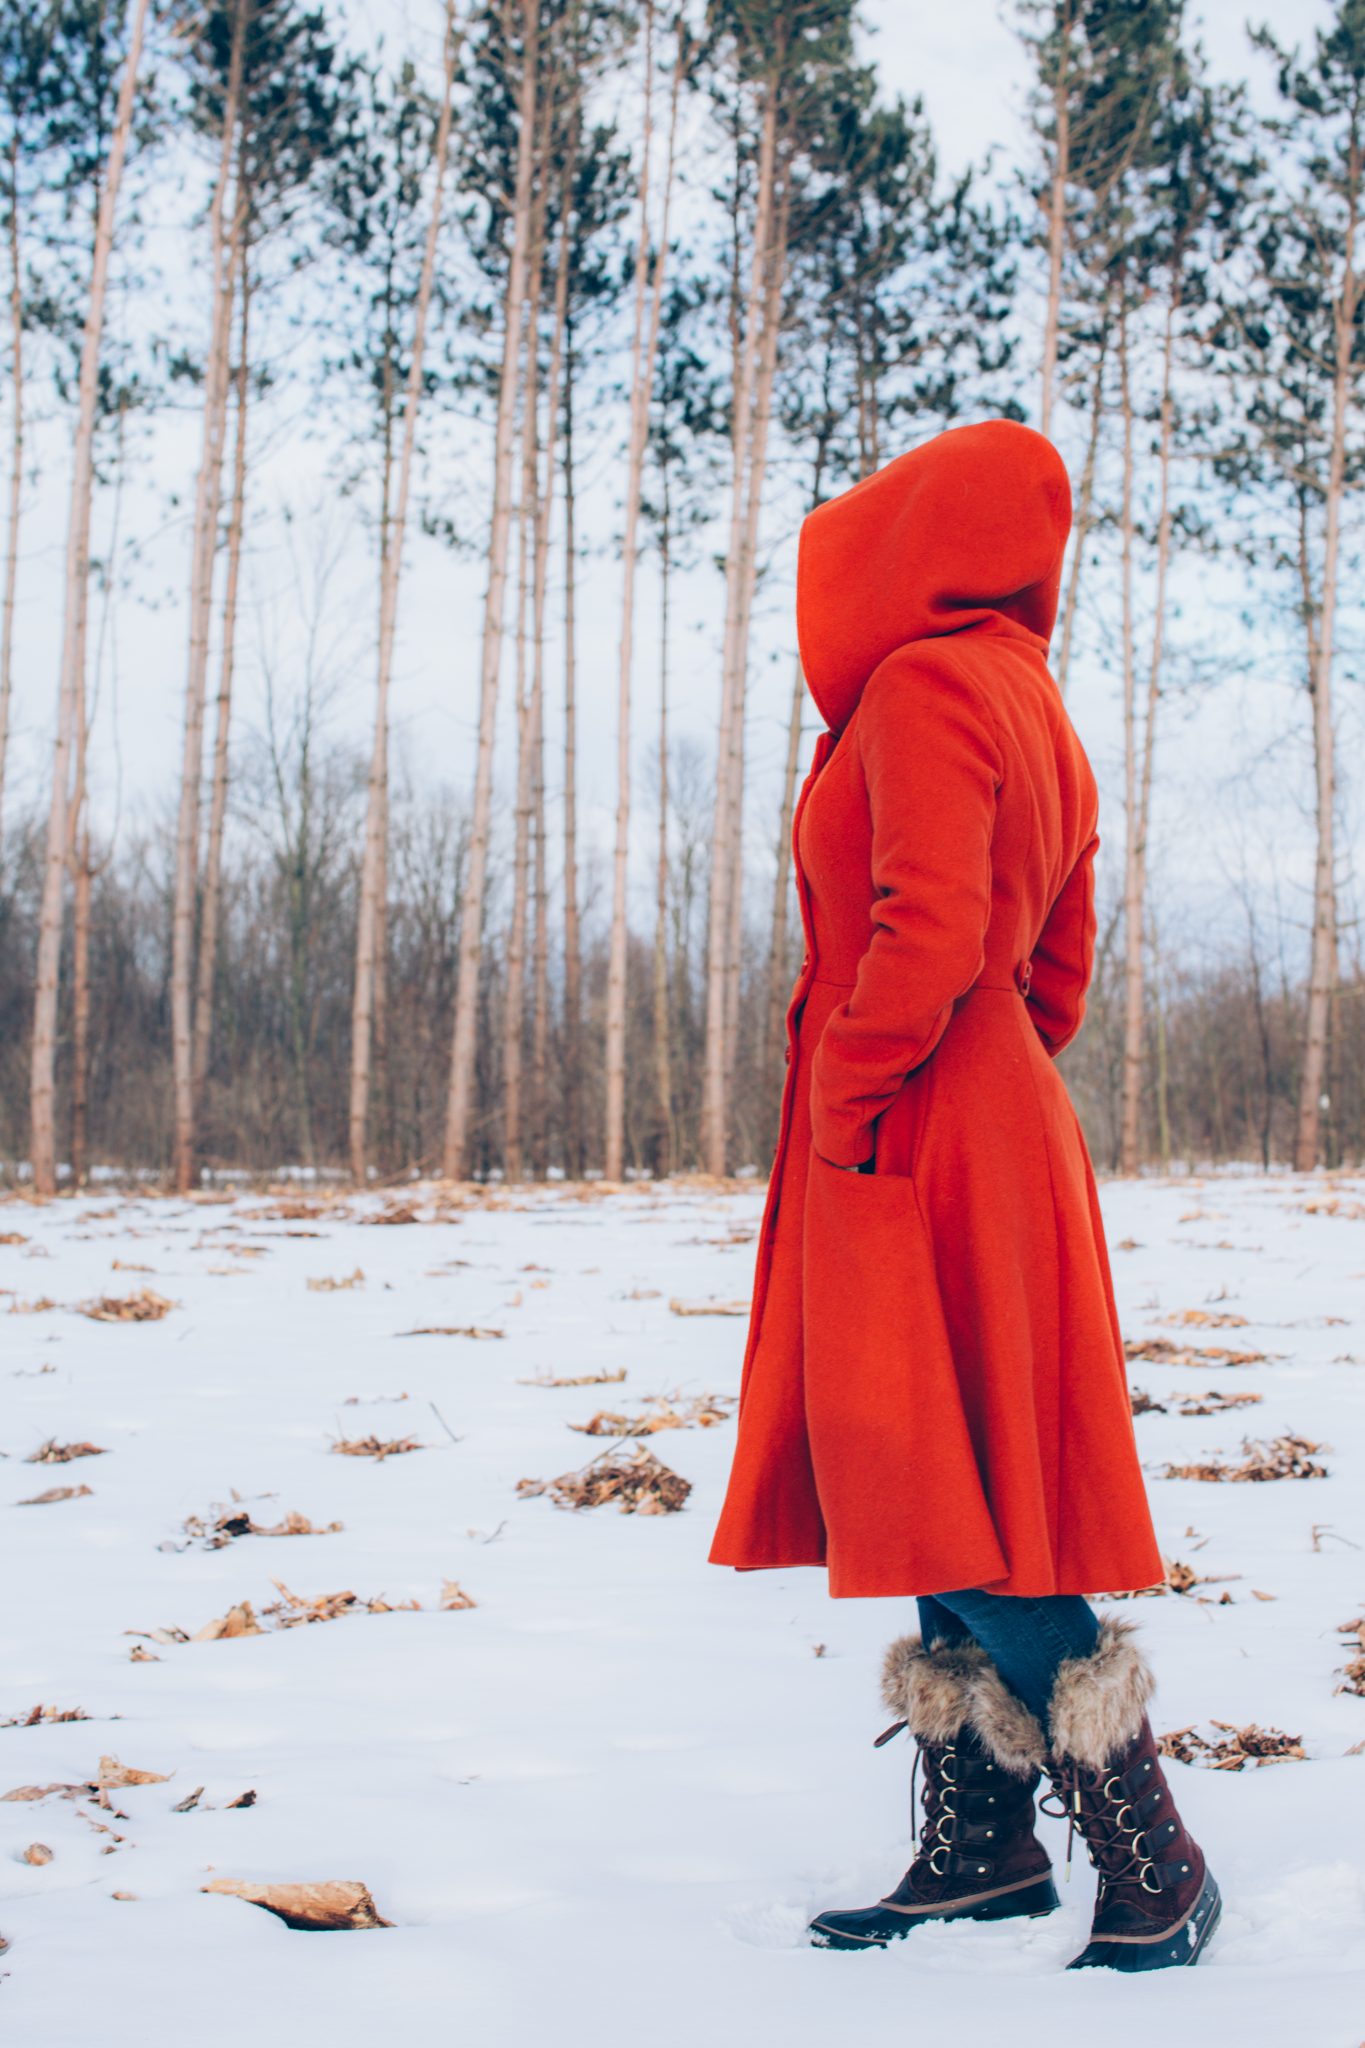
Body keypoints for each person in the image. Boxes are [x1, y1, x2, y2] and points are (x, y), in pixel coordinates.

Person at [708, 420, 1220, 1973]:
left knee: (953, 1488)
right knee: (936, 1465)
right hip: (980, 1105)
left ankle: (1153, 1850)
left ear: (915, 541)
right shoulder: (1030, 698)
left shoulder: (926, 686)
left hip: (914, 1118)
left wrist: (861, 1093)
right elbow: (1048, 969)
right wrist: (981, 1064)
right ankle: (984, 1846)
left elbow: (922, 929)